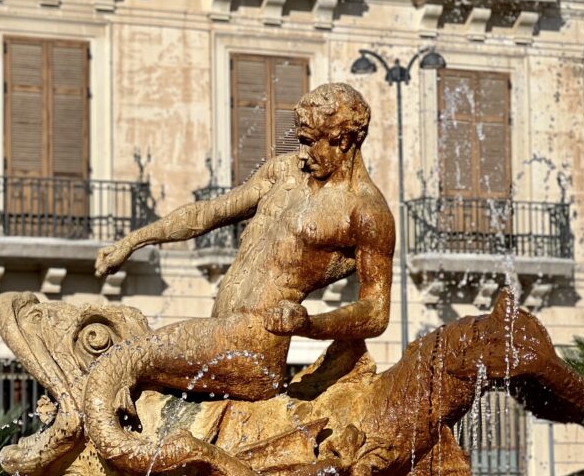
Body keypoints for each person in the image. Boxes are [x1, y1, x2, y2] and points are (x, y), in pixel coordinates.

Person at [93, 82, 394, 403]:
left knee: (122, 362)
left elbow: (376, 312)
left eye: (310, 143)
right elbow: (209, 213)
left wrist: (309, 324)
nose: (303, 154)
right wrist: (133, 241)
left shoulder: (365, 211)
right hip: (219, 330)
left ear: (343, 139)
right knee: (120, 369)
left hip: (254, 348)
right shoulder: (284, 172)